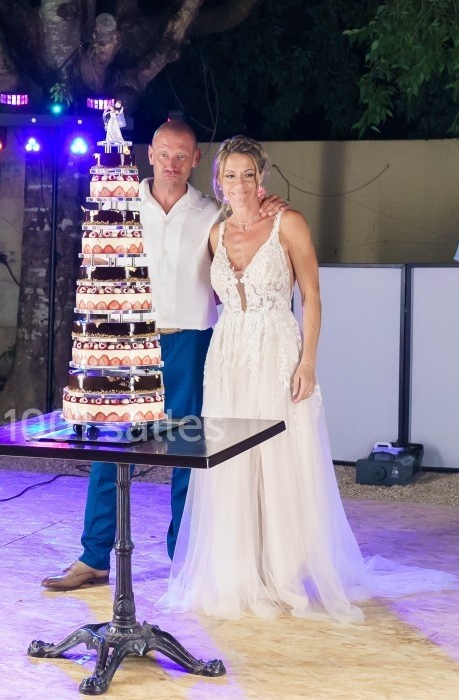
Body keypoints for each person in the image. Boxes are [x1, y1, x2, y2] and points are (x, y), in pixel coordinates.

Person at [158, 136, 459, 620]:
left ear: (263, 178)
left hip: (277, 349)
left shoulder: (289, 223)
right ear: (218, 180)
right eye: (230, 175)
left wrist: (308, 363)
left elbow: (313, 296)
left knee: (280, 459)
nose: (239, 184)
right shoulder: (214, 234)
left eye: (248, 174)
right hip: (228, 354)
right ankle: (238, 571)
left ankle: (282, 572)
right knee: (232, 464)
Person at [41, 121, 285, 590]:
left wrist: (271, 203)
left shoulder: (214, 212)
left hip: (190, 341)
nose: (172, 163)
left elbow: (254, 224)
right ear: (149, 155)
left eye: (182, 155)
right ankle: (94, 556)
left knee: (187, 449)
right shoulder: (121, 204)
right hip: (127, 344)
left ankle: (184, 557)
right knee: (109, 449)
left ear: (195, 161)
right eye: (164, 153)